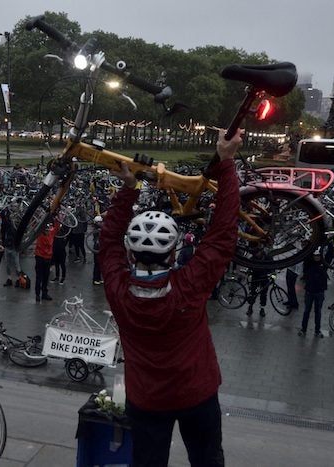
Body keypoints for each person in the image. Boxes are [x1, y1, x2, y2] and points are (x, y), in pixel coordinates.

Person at [99, 128, 242, 466]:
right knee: (208, 459)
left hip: (147, 399)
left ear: (130, 255)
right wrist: (226, 163)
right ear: (175, 250)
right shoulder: (189, 285)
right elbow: (224, 233)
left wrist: (128, 191)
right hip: (198, 393)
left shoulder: (119, 290)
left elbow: (106, 244)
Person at [298, 249, 328, 338]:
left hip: (319, 292)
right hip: (309, 291)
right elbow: (306, 256)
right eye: (315, 256)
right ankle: (303, 329)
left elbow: (330, 254)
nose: (317, 257)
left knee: (318, 312)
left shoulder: (324, 264)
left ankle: (317, 330)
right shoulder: (309, 264)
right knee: (306, 311)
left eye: (318, 255)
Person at [34, 220, 59, 302]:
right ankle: (38, 295)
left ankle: (44, 293)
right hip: (40, 258)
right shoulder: (40, 235)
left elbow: (57, 227)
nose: (48, 231)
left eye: (48, 229)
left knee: (45, 277)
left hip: (47, 258)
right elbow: (35, 226)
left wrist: (56, 219)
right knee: (39, 277)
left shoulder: (51, 233)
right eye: (46, 230)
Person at [0, 207, 20, 286]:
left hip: (14, 246)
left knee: (16, 264)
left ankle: (18, 279)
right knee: (8, 263)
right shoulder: (7, 224)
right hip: (8, 245)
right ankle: (9, 278)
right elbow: (3, 217)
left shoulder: (17, 223)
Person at [247, 251, 271, 317]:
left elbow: (272, 267)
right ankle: (250, 307)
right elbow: (249, 265)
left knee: (263, 294)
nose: (257, 254)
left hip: (264, 278)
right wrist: (249, 271)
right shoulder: (253, 258)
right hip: (255, 277)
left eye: (258, 252)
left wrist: (272, 276)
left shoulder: (267, 257)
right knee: (253, 293)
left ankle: (262, 309)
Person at [91, 215, 103, 285]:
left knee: (100, 264)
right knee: (97, 265)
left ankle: (99, 278)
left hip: (100, 248)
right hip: (97, 248)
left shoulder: (99, 228)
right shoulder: (96, 230)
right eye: (99, 222)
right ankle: (95, 279)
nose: (100, 223)